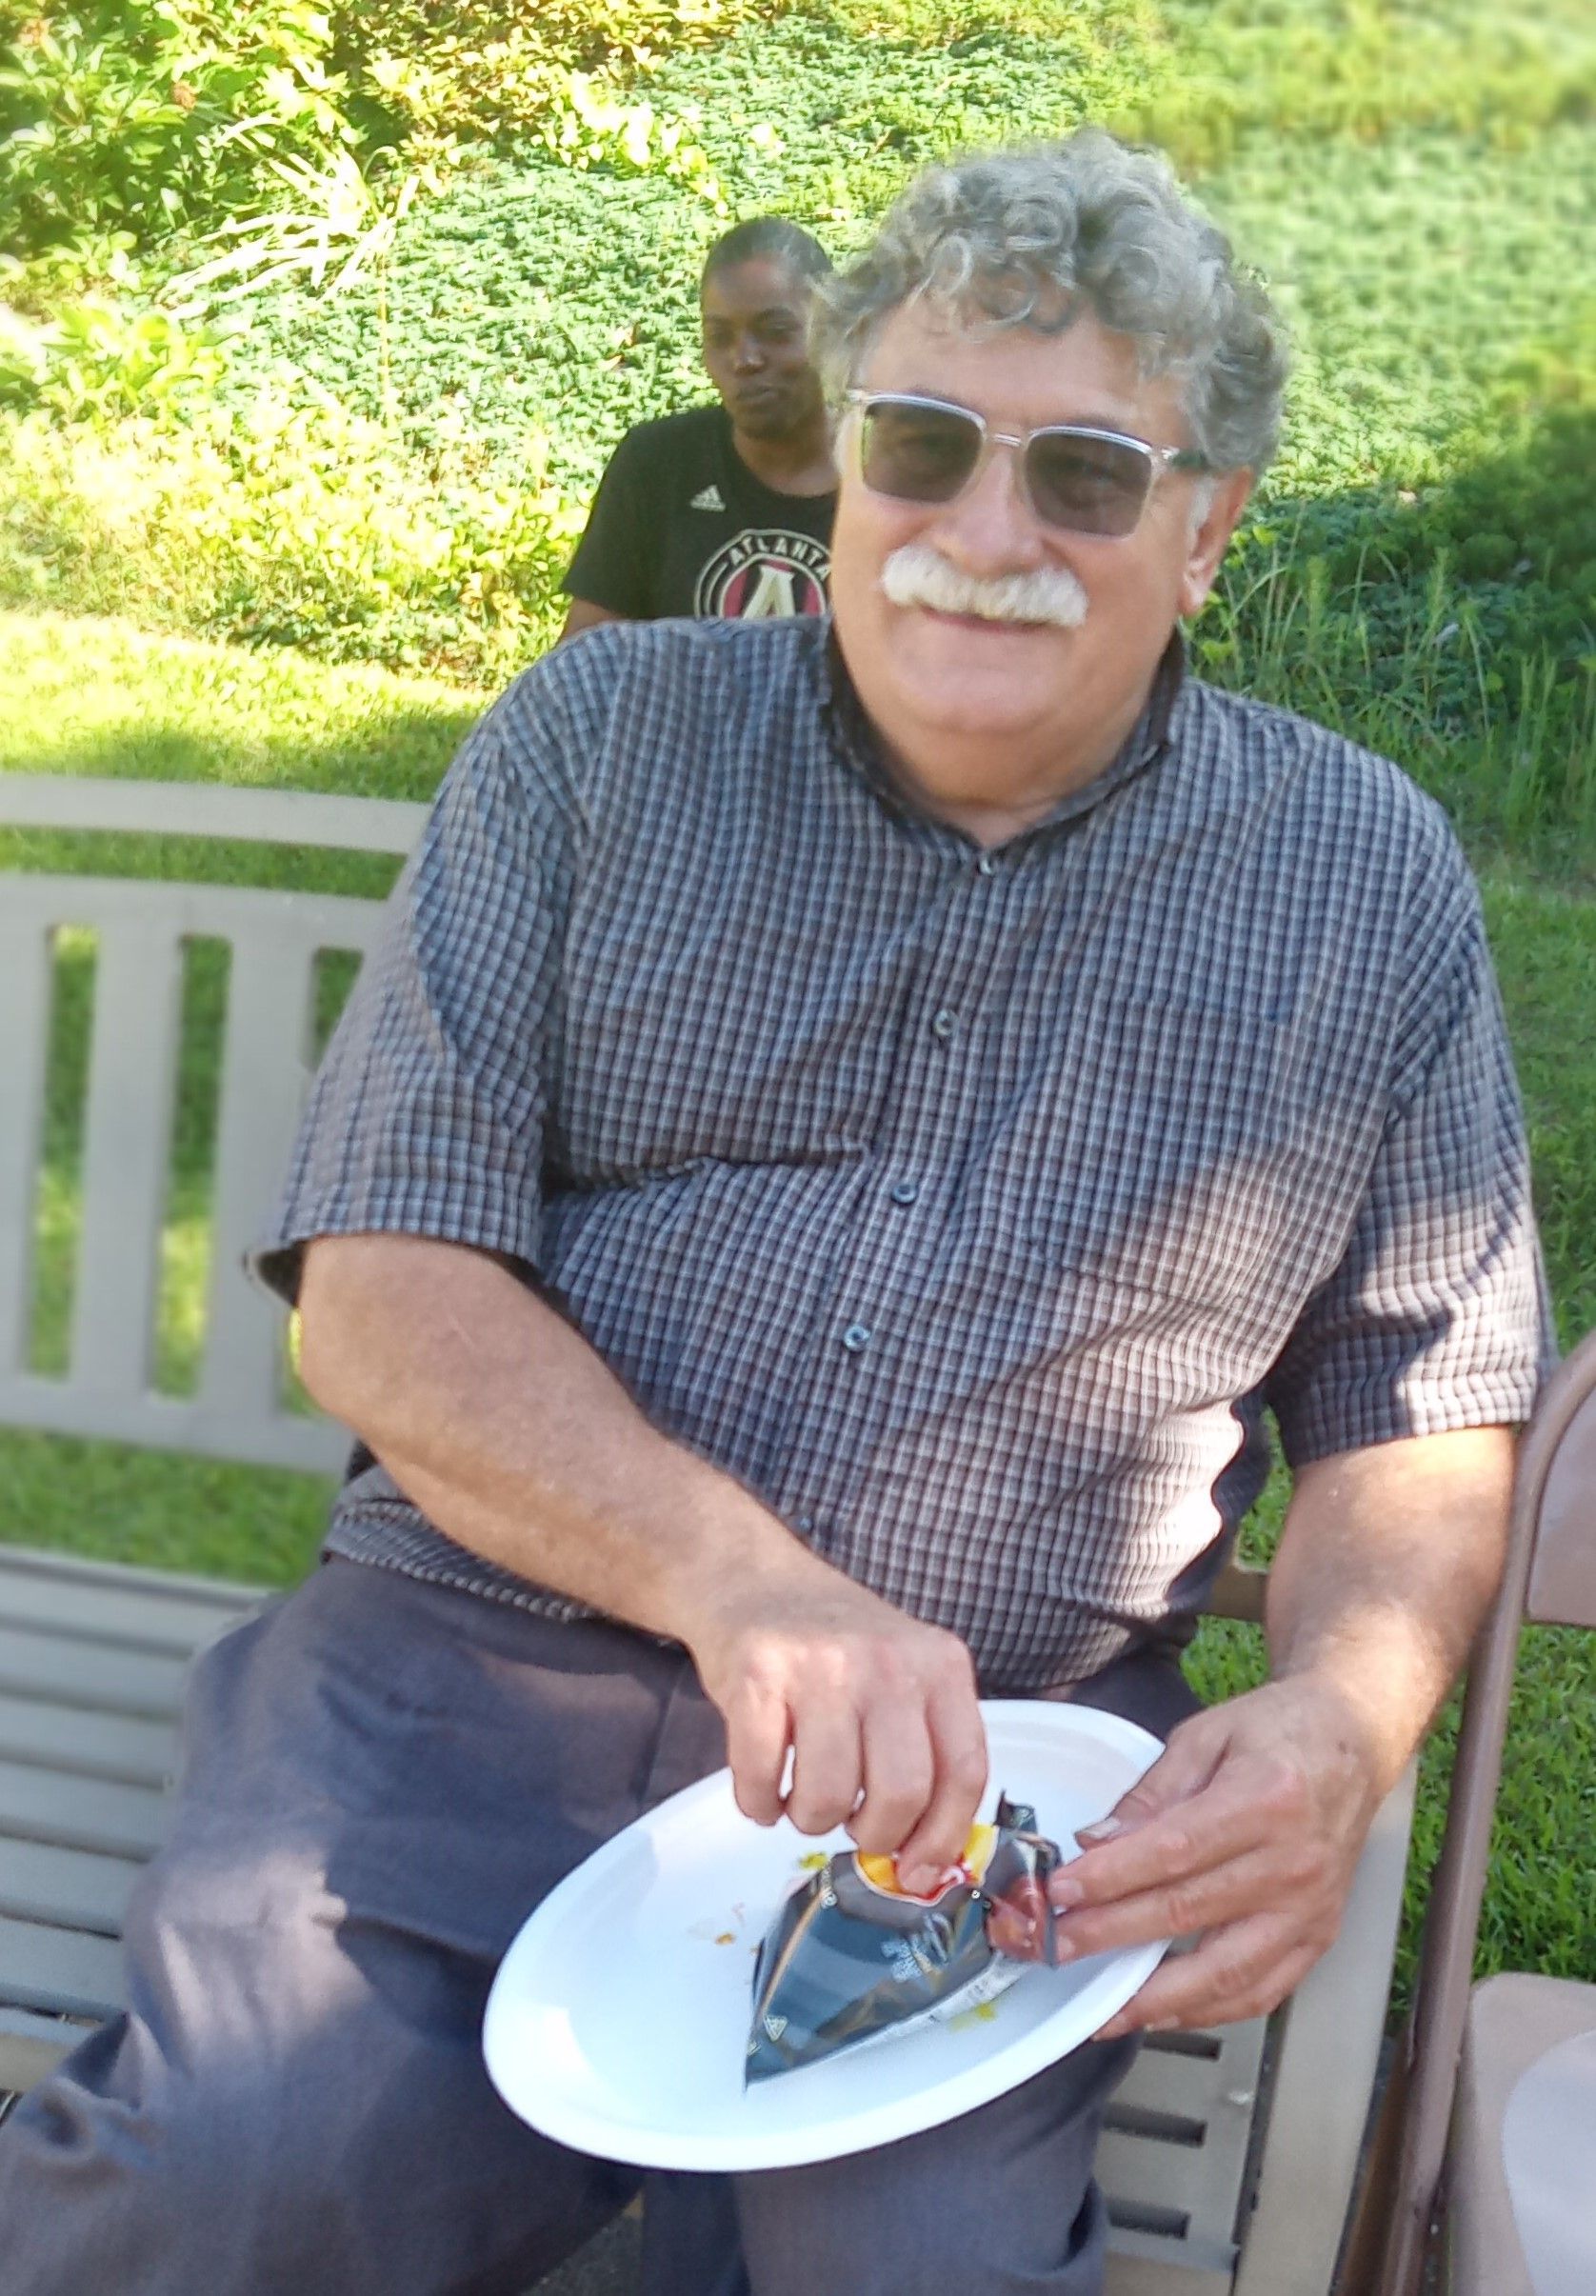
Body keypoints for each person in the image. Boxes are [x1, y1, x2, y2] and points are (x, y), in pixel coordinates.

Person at [0, 130, 1548, 2296]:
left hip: (978, 1789)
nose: (984, 535)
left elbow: (1419, 1396)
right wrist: (743, 1583)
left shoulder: (1357, 881)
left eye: (1087, 476)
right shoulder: (592, 744)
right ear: (842, 467)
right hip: (462, 1674)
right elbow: (379, 1286)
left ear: (1203, 529)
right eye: (921, 445)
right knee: (226, 2178)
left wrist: (1340, 1715)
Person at [560, 215, 835, 635]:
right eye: (720, 337)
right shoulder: (657, 464)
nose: (745, 359)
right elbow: (584, 663)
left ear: (832, 327)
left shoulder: (886, 476)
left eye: (776, 332)